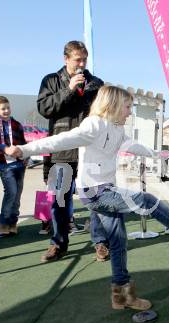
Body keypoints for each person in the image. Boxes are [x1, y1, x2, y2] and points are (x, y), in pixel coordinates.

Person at [5, 85, 169, 310]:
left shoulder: (117, 129)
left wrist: (156, 153)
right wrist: (25, 149)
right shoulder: (94, 124)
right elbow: (63, 139)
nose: (129, 111)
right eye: (127, 106)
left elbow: (131, 145)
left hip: (104, 189)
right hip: (96, 192)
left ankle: (122, 296)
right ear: (113, 105)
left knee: (117, 242)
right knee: (146, 200)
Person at [37, 40, 106, 263]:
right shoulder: (51, 80)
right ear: (66, 59)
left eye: (84, 59)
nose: (82, 64)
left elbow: (103, 112)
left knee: (96, 197)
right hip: (62, 149)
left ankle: (100, 242)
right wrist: (68, 90)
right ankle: (58, 244)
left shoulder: (95, 82)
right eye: (78, 59)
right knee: (59, 200)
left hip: (90, 150)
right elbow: (45, 108)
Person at [0, 96, 27, 236]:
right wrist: (4, 148)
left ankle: (13, 223)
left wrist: (26, 156)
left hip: (19, 163)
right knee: (11, 192)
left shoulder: (17, 124)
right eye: (3, 109)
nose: (6, 111)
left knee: (17, 195)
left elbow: (23, 143)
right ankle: (4, 223)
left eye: (8, 108)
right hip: (4, 164)